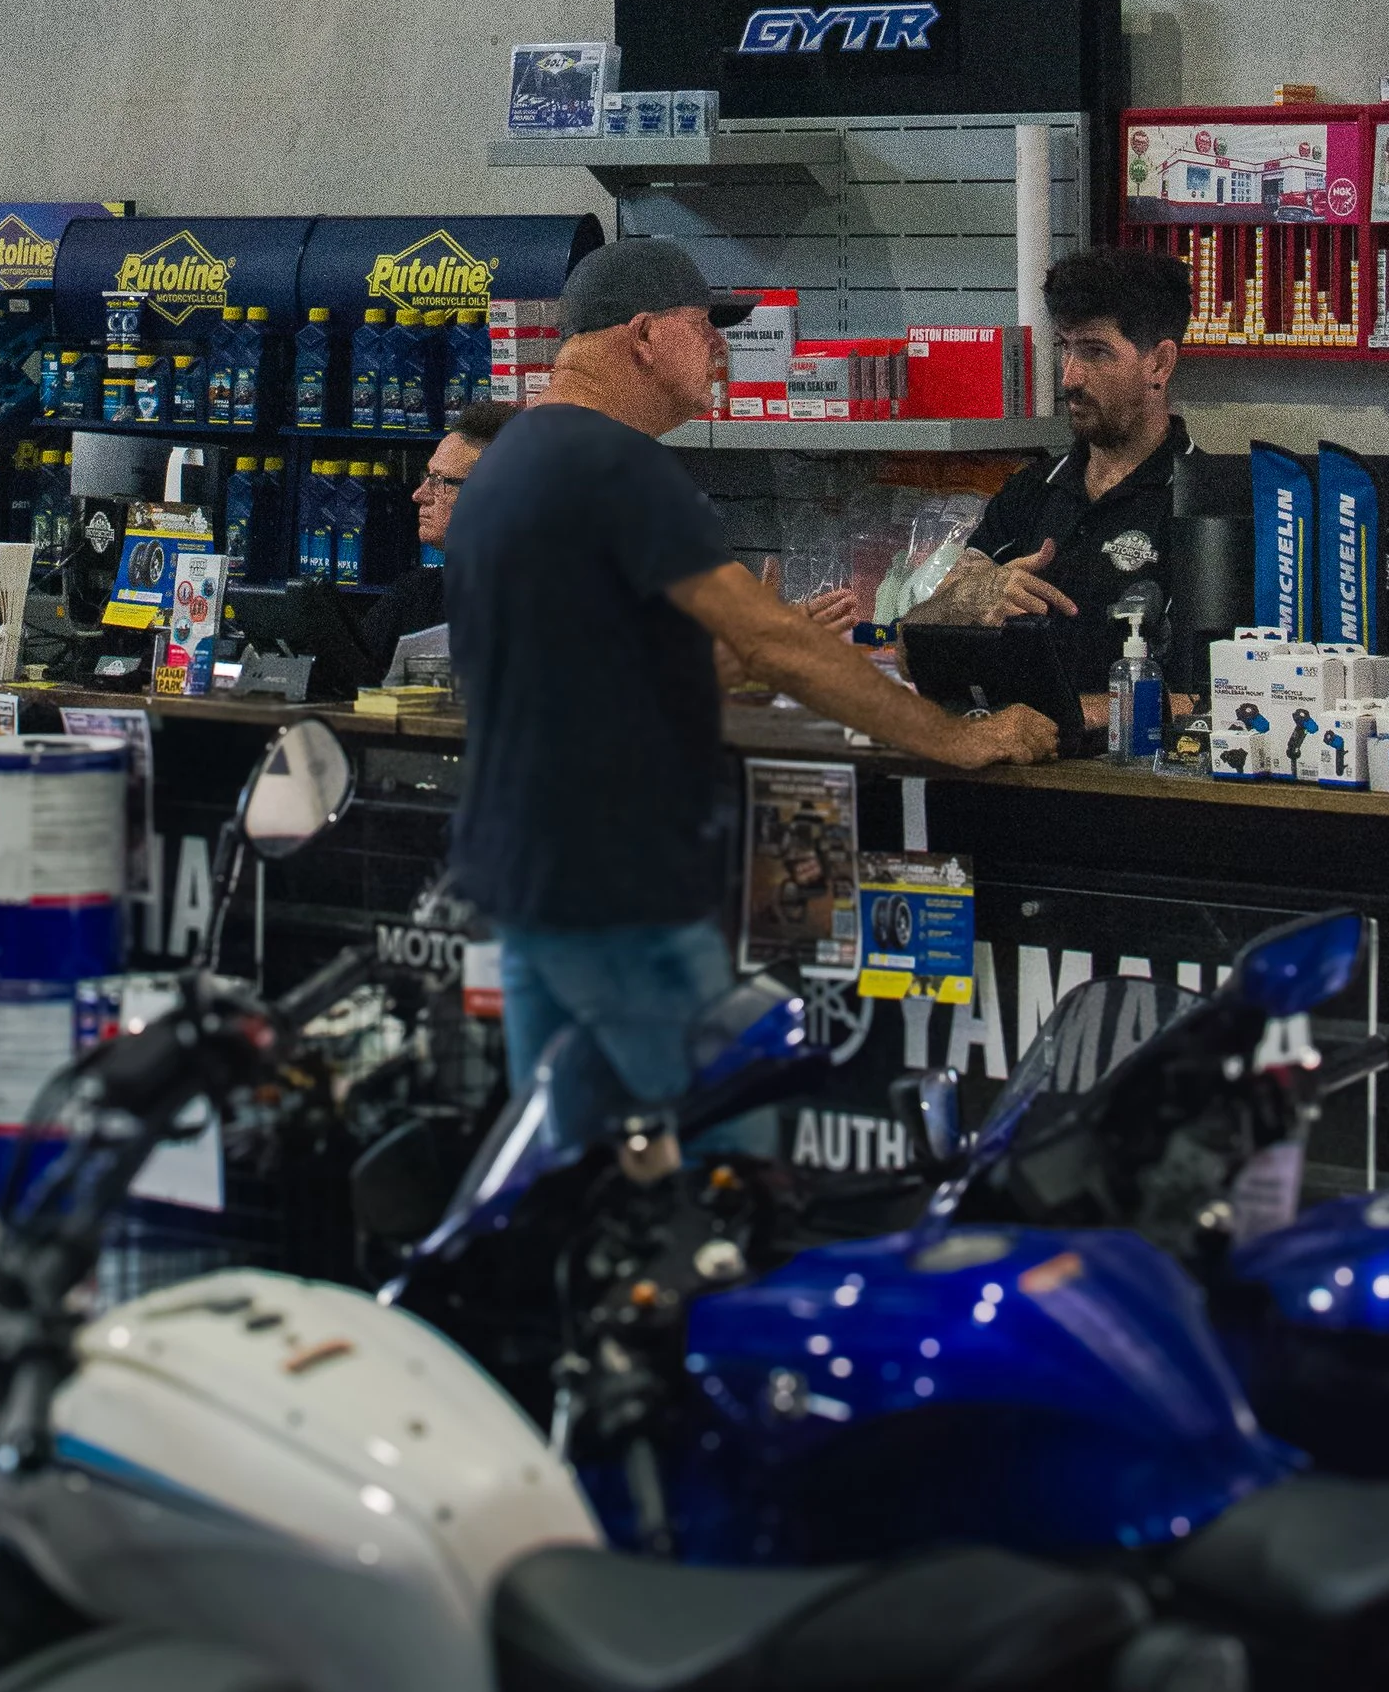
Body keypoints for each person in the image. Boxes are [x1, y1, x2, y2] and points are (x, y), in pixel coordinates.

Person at [444, 235, 1057, 1102]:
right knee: (718, 1139)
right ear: (646, 336)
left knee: (575, 1161)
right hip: (620, 887)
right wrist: (958, 739)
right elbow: (780, 648)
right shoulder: (613, 466)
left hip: (529, 875)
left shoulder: (509, 465)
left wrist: (710, 667)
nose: (724, 348)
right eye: (706, 327)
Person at [923, 245, 1191, 723]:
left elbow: (1220, 697)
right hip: (1011, 774)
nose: (1069, 376)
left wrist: (1061, 715)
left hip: (1142, 786)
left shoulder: (1209, 503)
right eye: (1065, 348)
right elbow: (917, 633)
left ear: (1159, 365)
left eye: (1095, 351)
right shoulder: (1029, 492)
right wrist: (974, 599)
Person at [356, 399, 512, 675]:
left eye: (440, 481)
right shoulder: (416, 595)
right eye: (427, 477)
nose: (419, 495)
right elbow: (343, 686)